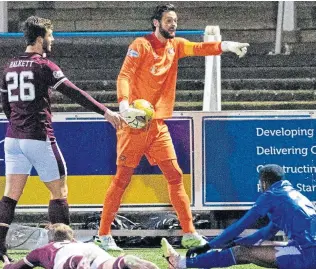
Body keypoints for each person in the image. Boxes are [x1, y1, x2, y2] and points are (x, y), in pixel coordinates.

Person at [96, 3, 249, 251]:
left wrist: (226, 46)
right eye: (169, 20)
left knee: (175, 176)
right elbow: (124, 75)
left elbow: (198, 47)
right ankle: (103, 235)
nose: (173, 24)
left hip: (157, 126)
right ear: (156, 23)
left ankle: (189, 232)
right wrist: (124, 106)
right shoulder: (140, 45)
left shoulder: (175, 45)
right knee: (122, 179)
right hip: (134, 125)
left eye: (175, 20)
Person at [0, 16, 125, 261]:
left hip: (13, 138)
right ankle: (63, 250)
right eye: (50, 35)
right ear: (39, 39)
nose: (52, 39)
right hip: (38, 136)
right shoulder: (44, 65)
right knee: (59, 192)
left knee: (10, 196)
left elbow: (5, 104)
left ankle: (0, 251)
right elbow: (72, 91)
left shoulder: (9, 65)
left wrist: (17, 124)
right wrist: (106, 112)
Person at [161, 164, 316, 269]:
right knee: (240, 249)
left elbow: (240, 225)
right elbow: (264, 234)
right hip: (307, 251)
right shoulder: (292, 195)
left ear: (264, 181)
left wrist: (209, 245)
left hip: (306, 254)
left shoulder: (271, 195)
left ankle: (181, 263)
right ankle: (183, 262)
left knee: (241, 252)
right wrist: (231, 243)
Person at [2, 223, 159, 269]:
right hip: (92, 252)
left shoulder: (44, 250)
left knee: (67, 263)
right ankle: (124, 261)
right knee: (110, 265)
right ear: (72, 236)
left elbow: (16, 268)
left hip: (71, 258)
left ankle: (78, 262)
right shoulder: (81, 243)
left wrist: (6, 261)